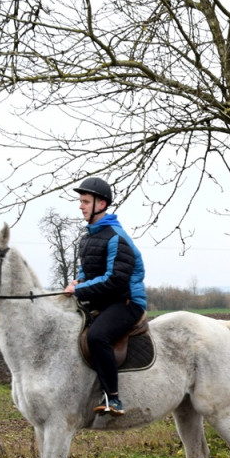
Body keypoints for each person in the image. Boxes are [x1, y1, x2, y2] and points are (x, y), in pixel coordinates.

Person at [64, 177, 147, 416]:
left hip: (126, 302)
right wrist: (77, 283)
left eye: (85, 202)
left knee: (98, 336)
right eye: (81, 202)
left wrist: (79, 290)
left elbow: (114, 280)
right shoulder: (88, 238)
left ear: (101, 204)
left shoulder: (116, 237)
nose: (81, 206)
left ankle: (113, 398)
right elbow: (87, 272)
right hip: (104, 301)